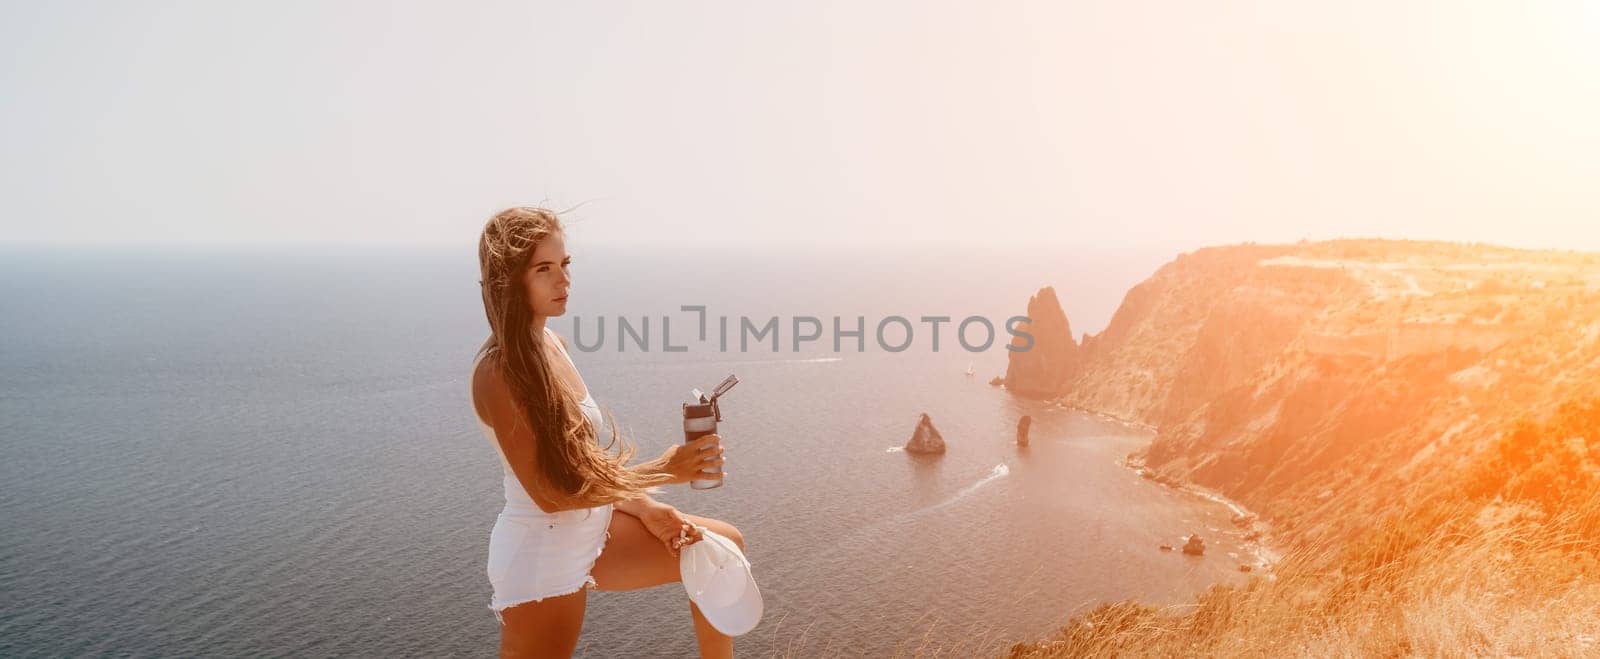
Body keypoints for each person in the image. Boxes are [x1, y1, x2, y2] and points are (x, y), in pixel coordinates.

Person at [471, 207, 746, 657]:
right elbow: (552, 493)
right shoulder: (501, 372)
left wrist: (647, 508)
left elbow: (583, 461)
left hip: (594, 528)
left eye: (565, 266)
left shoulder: (552, 345)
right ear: (508, 280)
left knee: (720, 551)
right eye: (544, 269)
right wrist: (660, 471)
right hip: (543, 554)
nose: (563, 281)